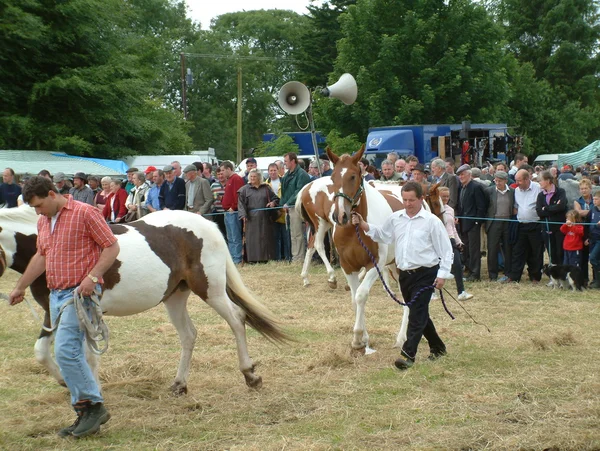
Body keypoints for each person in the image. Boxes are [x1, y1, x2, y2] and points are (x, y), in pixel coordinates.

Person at [8, 176, 119, 438]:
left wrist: (92, 278)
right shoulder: (44, 221)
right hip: (57, 294)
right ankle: (85, 411)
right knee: (69, 351)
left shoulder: (85, 213)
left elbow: (111, 246)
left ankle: (93, 406)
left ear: (51, 194)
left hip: (79, 294)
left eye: (38, 205)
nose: (36, 211)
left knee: (67, 350)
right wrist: (20, 286)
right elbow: (41, 256)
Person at [352, 181, 453, 370]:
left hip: (426, 273)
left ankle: (408, 355)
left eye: (412, 200)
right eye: (405, 200)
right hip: (405, 275)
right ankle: (438, 347)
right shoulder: (396, 218)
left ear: (421, 199)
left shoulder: (432, 221)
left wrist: (442, 275)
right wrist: (364, 225)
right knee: (420, 312)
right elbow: (383, 235)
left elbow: (446, 251)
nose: (408, 204)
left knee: (416, 314)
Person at [501, 169, 544, 283]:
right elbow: (516, 207)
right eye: (516, 180)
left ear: (526, 179)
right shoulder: (516, 191)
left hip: (535, 225)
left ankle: (535, 277)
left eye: (519, 181)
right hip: (521, 226)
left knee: (536, 252)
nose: (517, 183)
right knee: (517, 251)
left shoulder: (538, 188)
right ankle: (514, 276)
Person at [437, 186, 473, 301]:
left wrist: (459, 242)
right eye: (443, 196)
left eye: (447, 196)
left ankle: (461, 291)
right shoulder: (435, 211)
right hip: (438, 240)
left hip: (450, 239)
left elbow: (452, 228)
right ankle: (432, 292)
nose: (446, 198)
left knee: (457, 264)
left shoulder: (450, 210)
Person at [238, 169, 280, 263]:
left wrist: (273, 203)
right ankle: (252, 259)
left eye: (254, 176)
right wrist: (243, 215)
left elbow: (276, 198)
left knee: (265, 237)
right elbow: (241, 204)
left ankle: (265, 258)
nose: (252, 178)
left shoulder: (266, 188)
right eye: (251, 176)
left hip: (265, 218)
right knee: (252, 239)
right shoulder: (244, 189)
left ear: (259, 177)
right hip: (251, 218)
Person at [456, 164, 488, 281]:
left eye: (463, 174)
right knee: (466, 249)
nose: (461, 177)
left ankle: (475, 274)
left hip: (473, 224)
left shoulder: (476, 187)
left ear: (469, 175)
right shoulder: (461, 187)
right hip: (463, 224)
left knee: (474, 250)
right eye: (459, 175)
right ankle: (469, 270)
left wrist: (477, 222)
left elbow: (481, 207)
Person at [281, 152, 311, 262]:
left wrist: (288, 203)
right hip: (288, 208)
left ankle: (299, 258)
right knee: (292, 233)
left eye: (286, 161)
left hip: (296, 206)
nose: (285, 164)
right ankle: (295, 257)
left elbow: (299, 191)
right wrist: (283, 203)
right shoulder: (287, 174)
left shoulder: (301, 174)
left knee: (298, 233)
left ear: (293, 161)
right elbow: (285, 191)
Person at [485, 171, 514, 281]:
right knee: (492, 248)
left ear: (506, 181)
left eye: (500, 181)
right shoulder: (489, 191)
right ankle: (492, 274)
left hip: (508, 222)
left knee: (508, 248)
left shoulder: (512, 192)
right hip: (494, 222)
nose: (497, 183)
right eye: (495, 181)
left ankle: (508, 272)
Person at [536, 170, 567, 266]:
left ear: (548, 180)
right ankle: (554, 276)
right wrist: (553, 208)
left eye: (540, 180)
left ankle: (562, 274)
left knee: (560, 252)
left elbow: (561, 207)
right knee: (551, 252)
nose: (539, 183)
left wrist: (546, 208)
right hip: (546, 227)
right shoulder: (541, 195)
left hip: (559, 228)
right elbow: (539, 212)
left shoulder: (560, 192)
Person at [220, 161, 246, 264]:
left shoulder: (236, 179)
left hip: (233, 212)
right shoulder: (230, 179)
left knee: (235, 237)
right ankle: (232, 258)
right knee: (230, 237)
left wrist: (234, 207)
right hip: (227, 212)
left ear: (228, 169)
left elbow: (238, 195)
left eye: (223, 170)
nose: (221, 173)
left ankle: (237, 259)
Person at [266, 163, 290, 261]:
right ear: (268, 172)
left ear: (278, 170)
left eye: (274, 170)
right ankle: (277, 259)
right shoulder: (265, 184)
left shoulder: (284, 181)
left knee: (286, 237)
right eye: (271, 170)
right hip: (273, 214)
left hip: (284, 213)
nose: (273, 172)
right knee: (275, 238)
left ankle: (288, 257)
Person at [574, 179, 594, 285]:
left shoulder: (595, 199)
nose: (584, 190)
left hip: (595, 230)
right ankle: (584, 279)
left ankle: (596, 279)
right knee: (583, 257)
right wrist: (593, 211)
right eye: (582, 189)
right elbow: (578, 213)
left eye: (586, 188)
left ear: (590, 189)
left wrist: (585, 212)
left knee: (595, 256)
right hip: (582, 230)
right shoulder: (577, 201)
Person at [210, 167, 227, 239]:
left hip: (228, 212)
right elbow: (210, 198)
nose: (220, 176)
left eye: (222, 174)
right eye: (218, 174)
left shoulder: (230, 183)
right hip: (217, 213)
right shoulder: (214, 185)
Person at [588, 191, 600, 288]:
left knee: (593, 258)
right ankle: (596, 280)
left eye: (596, 199)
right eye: (594, 199)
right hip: (593, 238)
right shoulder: (593, 209)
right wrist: (587, 237)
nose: (594, 201)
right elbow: (587, 223)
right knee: (594, 260)